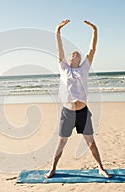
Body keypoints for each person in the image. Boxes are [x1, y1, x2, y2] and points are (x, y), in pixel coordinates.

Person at [45, 19, 111, 178]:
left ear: (80, 60)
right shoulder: (63, 68)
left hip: (82, 112)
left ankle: (101, 168)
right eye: (72, 54)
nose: (74, 54)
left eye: (77, 54)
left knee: (91, 142)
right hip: (68, 112)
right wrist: (58, 30)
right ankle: (53, 169)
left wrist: (95, 31)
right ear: (68, 59)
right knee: (61, 142)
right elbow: (58, 48)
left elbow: (92, 49)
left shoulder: (84, 68)